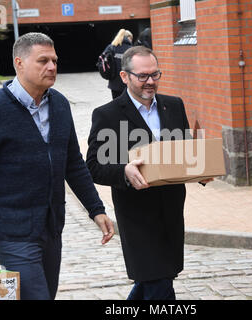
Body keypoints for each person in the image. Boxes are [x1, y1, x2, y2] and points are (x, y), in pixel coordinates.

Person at [0, 32, 114, 300]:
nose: (52, 67)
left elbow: (73, 164)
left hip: (52, 227)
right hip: (12, 231)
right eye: (43, 60)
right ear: (19, 63)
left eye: (54, 60)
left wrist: (95, 209)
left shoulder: (60, 105)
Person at [86, 46, 212, 300]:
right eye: (142, 76)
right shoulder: (107, 115)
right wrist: (124, 171)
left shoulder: (174, 106)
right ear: (125, 77)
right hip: (137, 215)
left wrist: (199, 172)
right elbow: (93, 166)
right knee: (158, 283)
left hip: (172, 209)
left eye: (155, 74)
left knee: (157, 278)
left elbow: (183, 152)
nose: (150, 82)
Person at [103, 29, 133, 99]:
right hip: (128, 83)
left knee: (116, 105)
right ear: (128, 37)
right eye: (131, 38)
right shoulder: (131, 49)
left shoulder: (111, 47)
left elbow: (102, 61)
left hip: (114, 83)